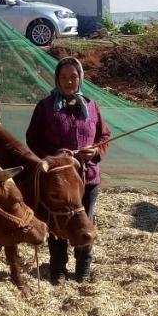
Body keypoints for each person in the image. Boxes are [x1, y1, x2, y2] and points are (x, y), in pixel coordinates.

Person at [26, 57, 110, 283]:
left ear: (80, 78)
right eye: (63, 77)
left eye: (73, 77)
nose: (68, 81)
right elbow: (32, 140)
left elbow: (104, 136)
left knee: (85, 220)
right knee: (59, 222)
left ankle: (83, 268)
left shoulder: (92, 106)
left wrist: (95, 151)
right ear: (57, 79)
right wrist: (57, 156)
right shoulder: (45, 107)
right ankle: (58, 269)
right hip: (60, 180)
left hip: (88, 177)